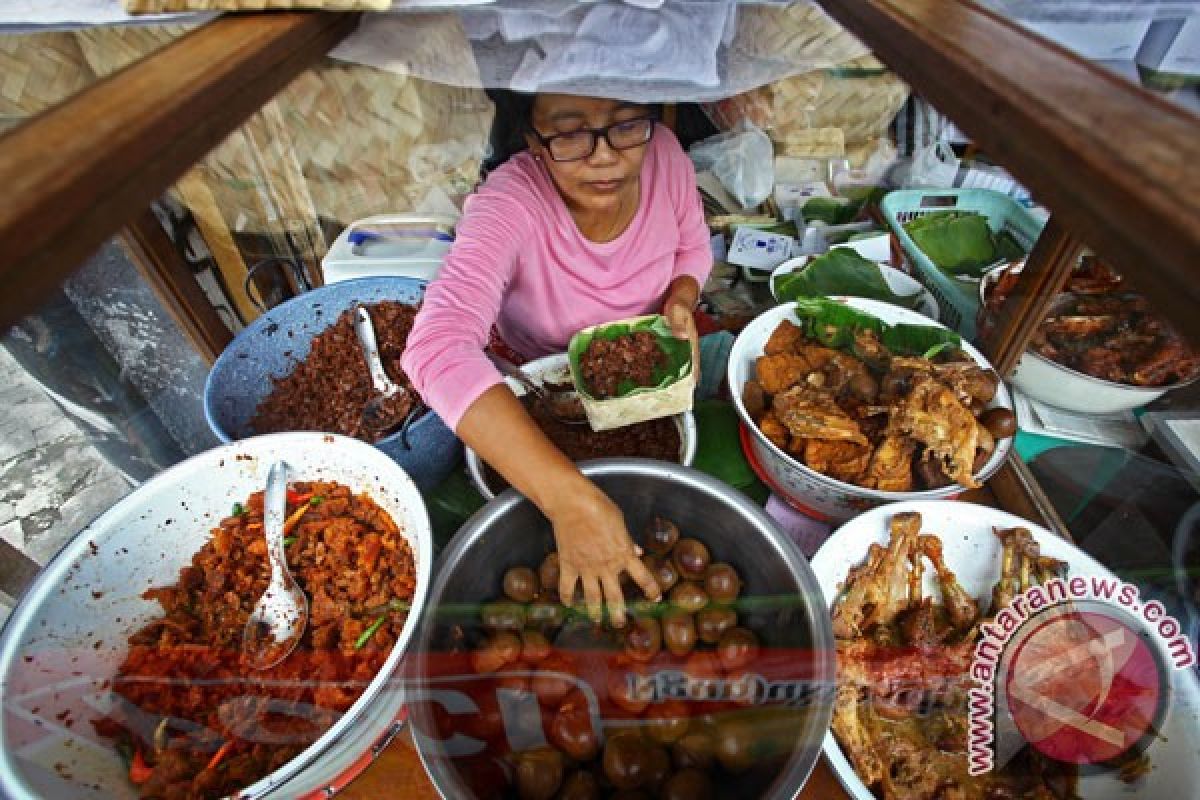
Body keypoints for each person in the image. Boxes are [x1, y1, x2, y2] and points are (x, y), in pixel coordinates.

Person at [401, 92, 713, 627]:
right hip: (536, 378)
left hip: (644, 381)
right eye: (570, 133)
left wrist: (681, 298)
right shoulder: (509, 203)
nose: (605, 155)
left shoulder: (664, 153)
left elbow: (693, 248)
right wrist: (569, 500)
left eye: (624, 124)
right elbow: (437, 345)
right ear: (534, 142)